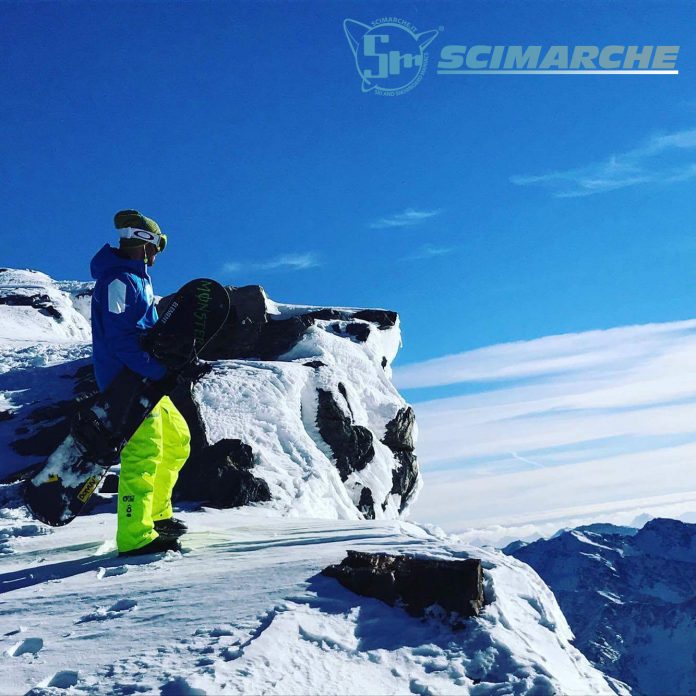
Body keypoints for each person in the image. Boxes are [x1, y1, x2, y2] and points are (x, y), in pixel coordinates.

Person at [90, 210, 190, 556]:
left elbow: (143, 334)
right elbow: (121, 340)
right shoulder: (119, 280)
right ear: (145, 242)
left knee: (177, 439)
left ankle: (157, 516)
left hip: (143, 377)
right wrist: (158, 370)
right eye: (158, 244)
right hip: (126, 382)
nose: (159, 253)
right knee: (143, 451)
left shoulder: (137, 279)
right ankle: (134, 536)